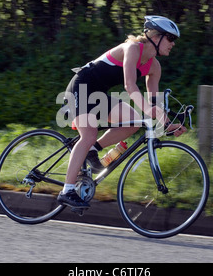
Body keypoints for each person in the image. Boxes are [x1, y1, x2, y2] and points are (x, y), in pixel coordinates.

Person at [58, 15, 187, 208]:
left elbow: (155, 102)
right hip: (82, 86)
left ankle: (92, 150)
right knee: (88, 134)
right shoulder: (132, 49)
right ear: (155, 36)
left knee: (134, 122)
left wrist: (167, 125)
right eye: (170, 39)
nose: (173, 44)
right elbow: (129, 85)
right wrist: (149, 109)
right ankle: (67, 190)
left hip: (99, 94)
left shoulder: (154, 66)